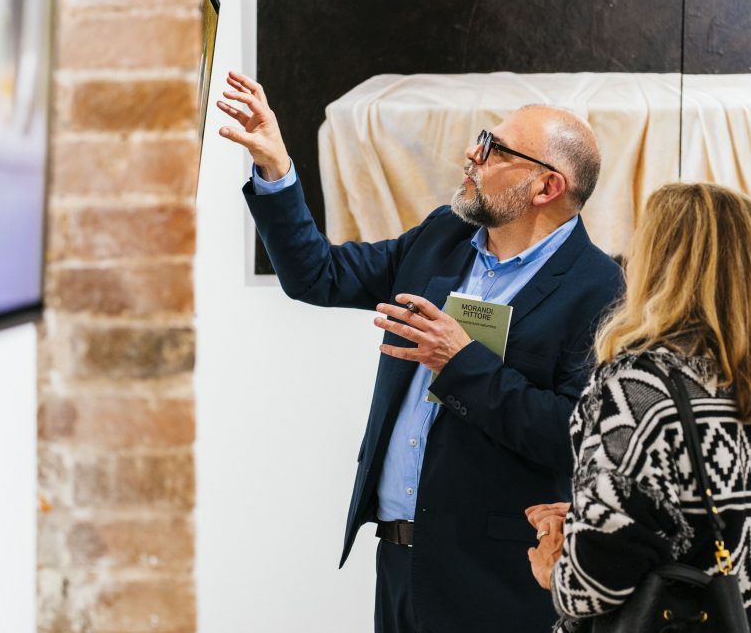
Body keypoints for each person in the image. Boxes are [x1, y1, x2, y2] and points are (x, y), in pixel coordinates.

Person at [216, 71, 624, 633]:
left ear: (546, 187)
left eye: (494, 148)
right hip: (398, 558)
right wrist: (275, 167)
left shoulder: (599, 288)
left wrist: (462, 363)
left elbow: (574, 435)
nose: (472, 154)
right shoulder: (443, 236)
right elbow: (318, 274)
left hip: (495, 580)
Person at [525, 183, 751, 632]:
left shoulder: (637, 386)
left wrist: (557, 564)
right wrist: (589, 515)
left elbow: (592, 586)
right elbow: (725, 538)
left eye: (640, 246)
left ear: (660, 267)